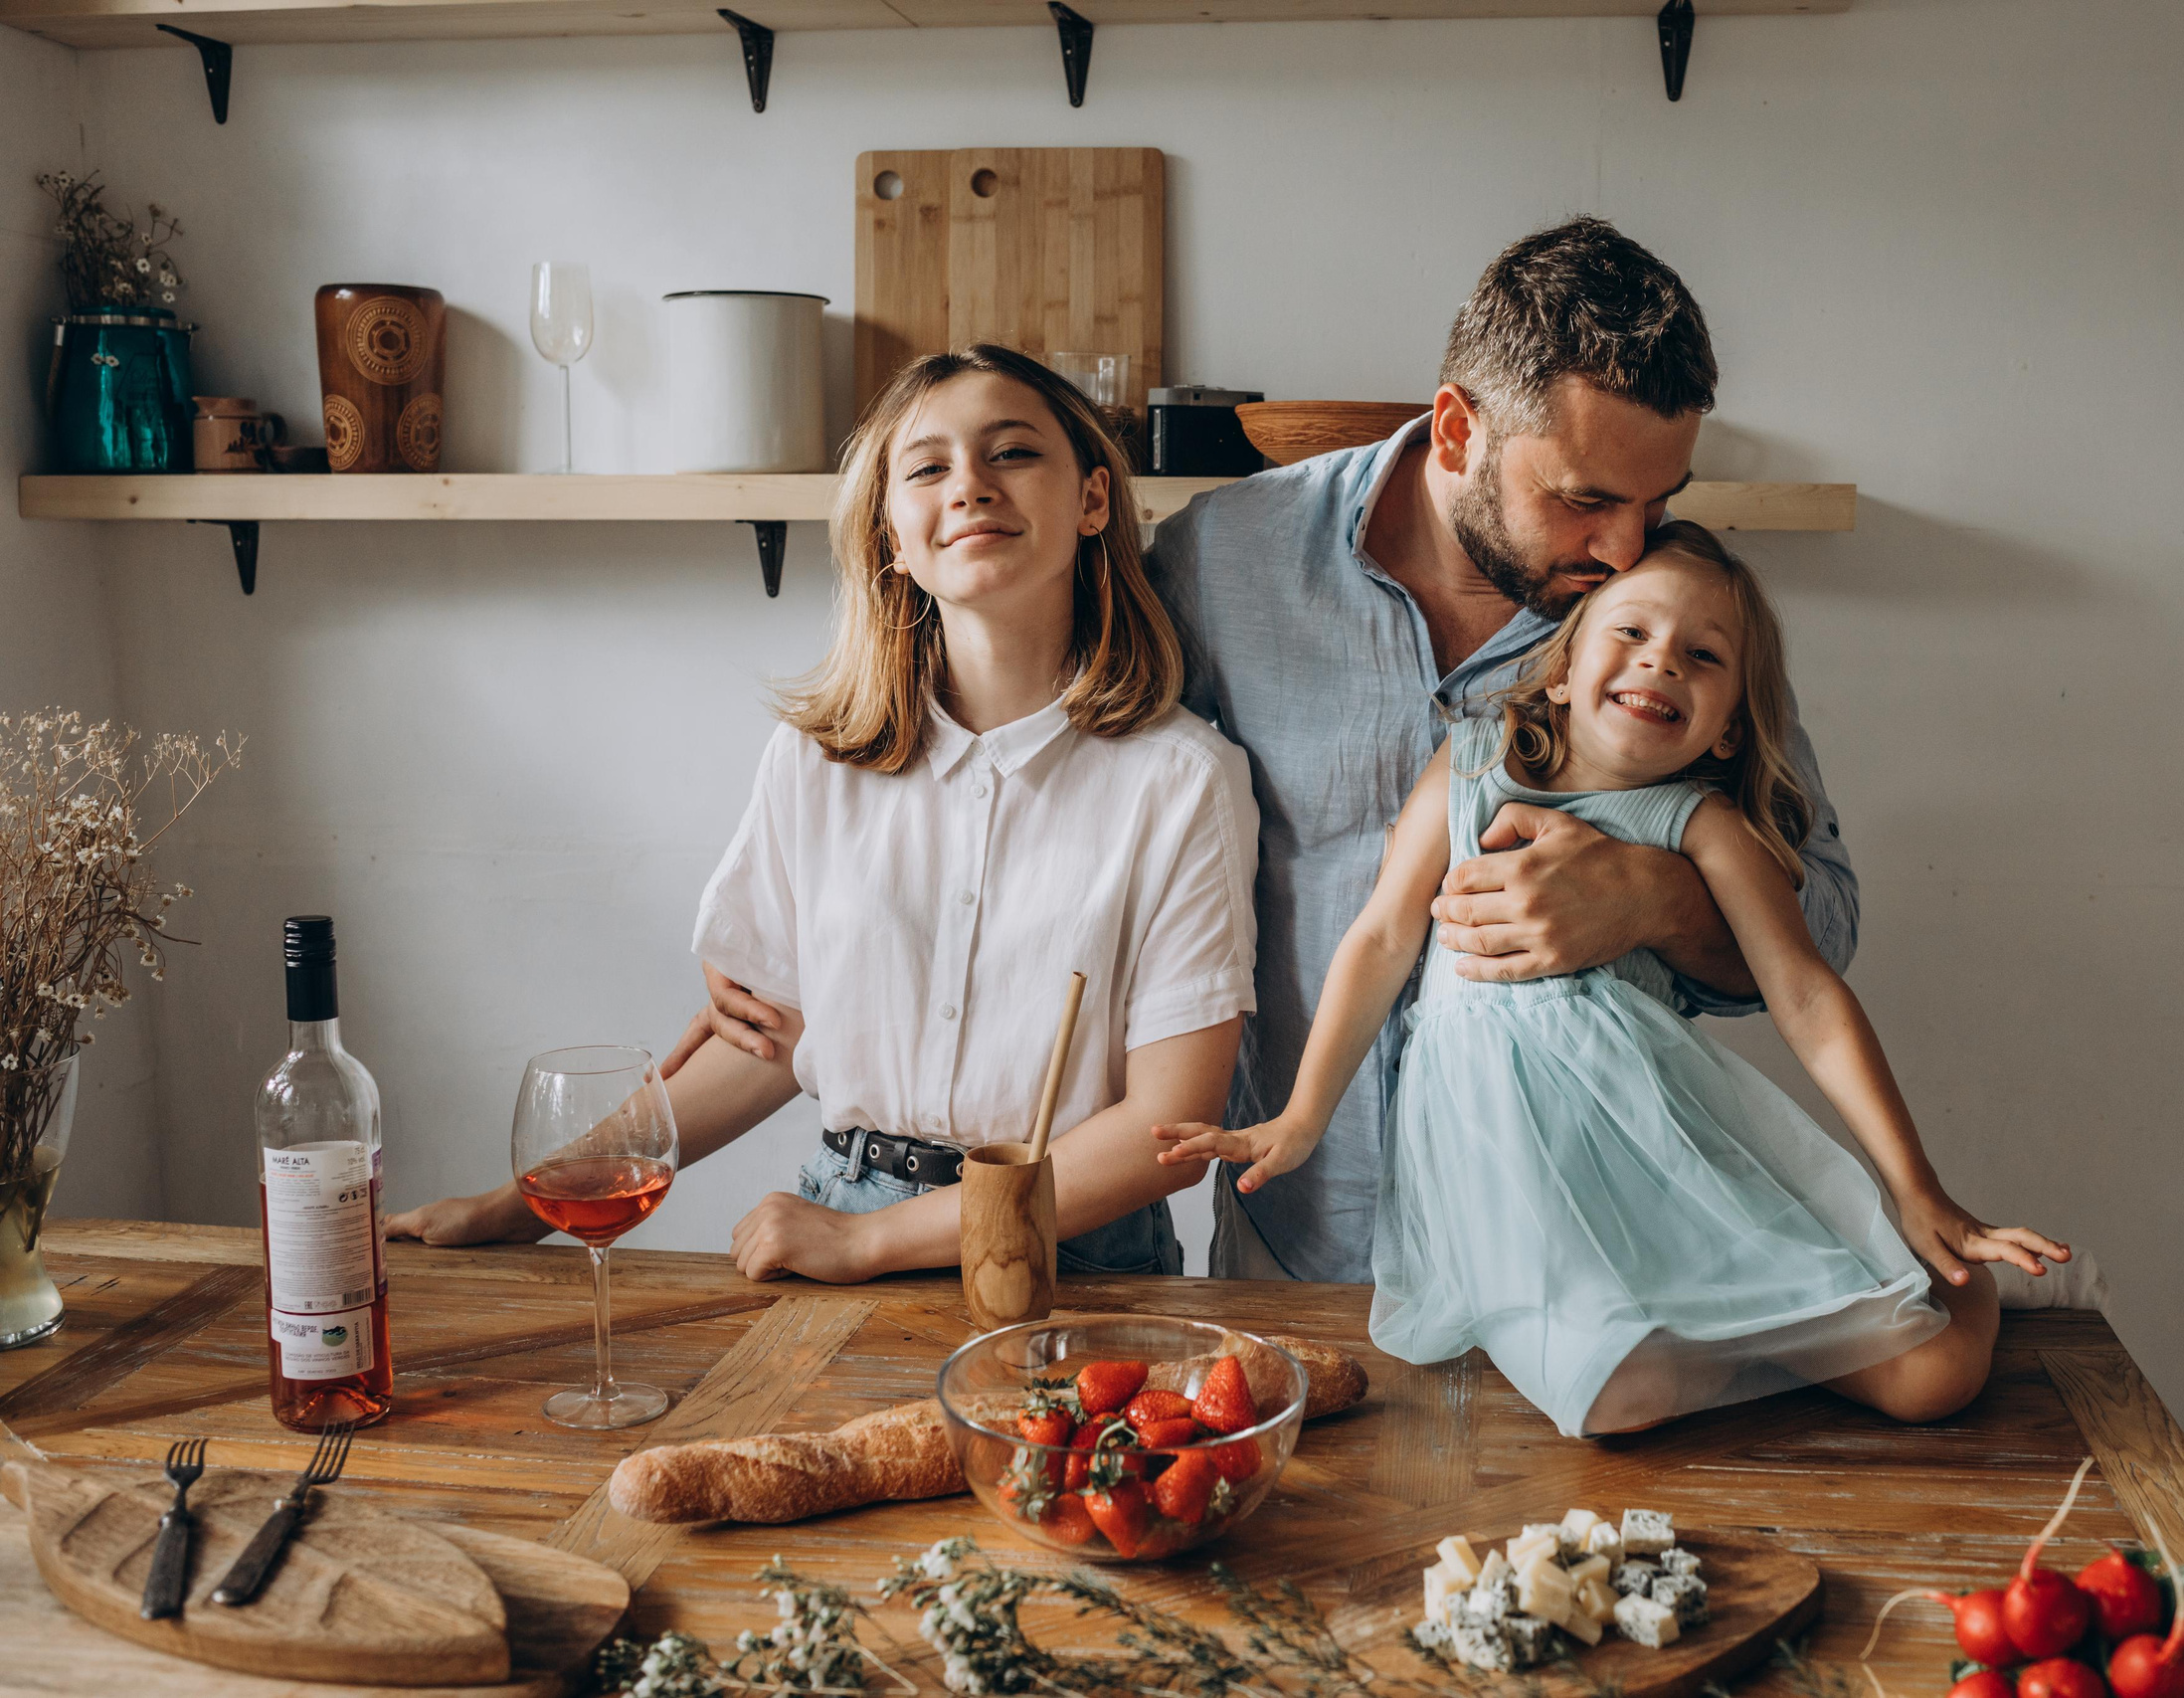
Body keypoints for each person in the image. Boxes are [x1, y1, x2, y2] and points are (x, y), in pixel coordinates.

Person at [692, 217, 1864, 1285]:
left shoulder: (1666, 617)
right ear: (1456, 427)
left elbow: (1831, 920)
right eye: (1581, 499)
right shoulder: (1222, 561)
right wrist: (812, 939)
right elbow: (1052, 765)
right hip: (1304, 1259)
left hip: (1586, 1252)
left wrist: (1654, 900)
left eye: (1655, 503)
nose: (1623, 546)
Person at [1157, 525, 2068, 1435]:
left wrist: (1916, 1186)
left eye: (1702, 655)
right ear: (1561, 669)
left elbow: (1809, 999)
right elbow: (1382, 938)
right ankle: (1714, 1340)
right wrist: (1301, 1117)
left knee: (1934, 1381)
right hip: (1514, 1189)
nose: (1662, 660)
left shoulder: (1702, 826)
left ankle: (1949, 1279)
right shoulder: (1473, 764)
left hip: (1666, 1168)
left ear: (1730, 728)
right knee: (1615, 1404)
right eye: (1631, 633)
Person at [387, 344, 1259, 1282]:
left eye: (1011, 453)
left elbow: (1166, 1129)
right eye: (927, 467)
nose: (969, 485)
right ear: (892, 530)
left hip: (1072, 1255)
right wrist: (528, 1204)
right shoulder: (816, 761)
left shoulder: (1184, 783)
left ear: (1092, 501)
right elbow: (763, 1046)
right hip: (836, 1207)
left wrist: (870, 1241)